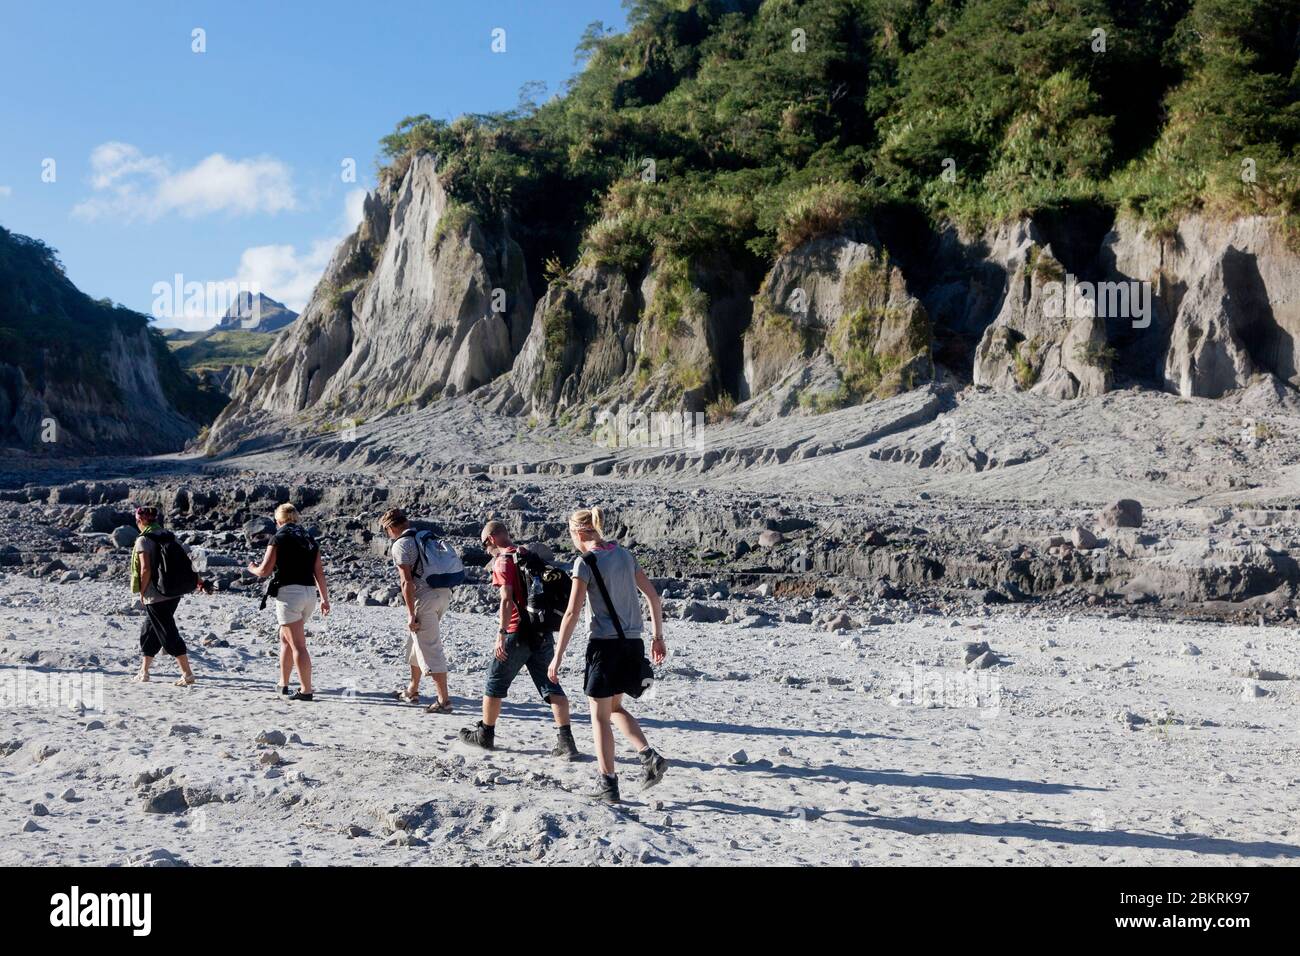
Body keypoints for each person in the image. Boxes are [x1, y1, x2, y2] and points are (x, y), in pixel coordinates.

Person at [550, 507, 668, 803]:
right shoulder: (624, 555)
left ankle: (608, 784)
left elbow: (572, 613)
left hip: (604, 646)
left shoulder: (584, 563)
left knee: (599, 717)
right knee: (614, 709)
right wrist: (657, 638)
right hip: (633, 644)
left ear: (577, 533)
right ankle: (649, 757)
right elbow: (653, 597)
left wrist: (557, 656)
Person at [458, 520, 580, 759]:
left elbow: (506, 600)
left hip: (517, 632)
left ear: (492, 539)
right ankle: (566, 741)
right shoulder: (526, 554)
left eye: (485, 545)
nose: (486, 550)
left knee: (494, 682)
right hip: (541, 631)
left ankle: (485, 734)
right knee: (550, 685)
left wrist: (501, 635)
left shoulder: (503, 560)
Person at [247, 503, 330, 701]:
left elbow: (265, 570)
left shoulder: (279, 537)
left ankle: (306, 690)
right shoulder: (308, 538)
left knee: (298, 645)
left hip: (289, 594)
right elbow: (319, 571)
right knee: (286, 638)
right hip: (309, 593)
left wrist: (252, 568)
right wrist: (324, 598)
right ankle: (282, 683)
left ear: (278, 520)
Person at [380, 508, 453, 713]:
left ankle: (443, 701)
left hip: (425, 598)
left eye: (386, 530)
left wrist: (411, 613)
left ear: (391, 527)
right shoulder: (425, 539)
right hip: (443, 594)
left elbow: (407, 582)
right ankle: (412, 689)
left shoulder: (401, 545)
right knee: (416, 642)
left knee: (429, 646)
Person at [130, 506, 202, 685]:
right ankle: (144, 671)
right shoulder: (168, 535)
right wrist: (199, 581)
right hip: (172, 591)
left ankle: (187, 674)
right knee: (150, 631)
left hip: (155, 594)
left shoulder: (143, 540)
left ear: (140, 521)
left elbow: (145, 568)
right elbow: (188, 560)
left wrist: (142, 591)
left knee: (167, 633)